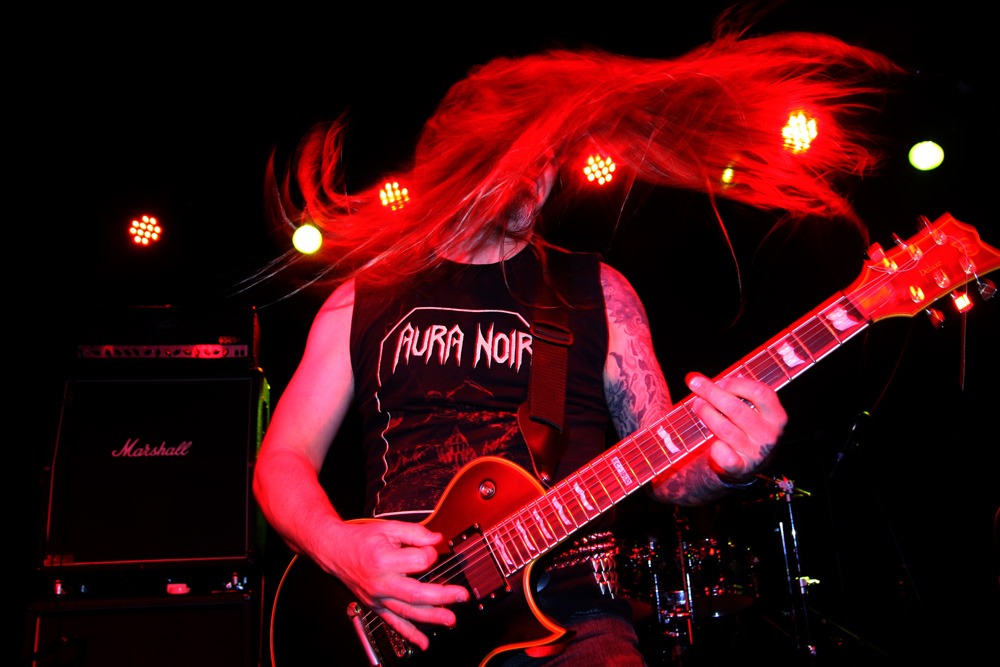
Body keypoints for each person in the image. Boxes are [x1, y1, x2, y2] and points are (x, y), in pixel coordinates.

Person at [254, 31, 898, 666]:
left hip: (572, 618)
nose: (536, 174)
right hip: (397, 619)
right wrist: (338, 548)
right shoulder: (366, 295)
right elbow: (282, 458)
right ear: (458, 161)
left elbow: (668, 469)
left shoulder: (597, 290)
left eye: (545, 157)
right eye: (514, 153)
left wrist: (728, 463)